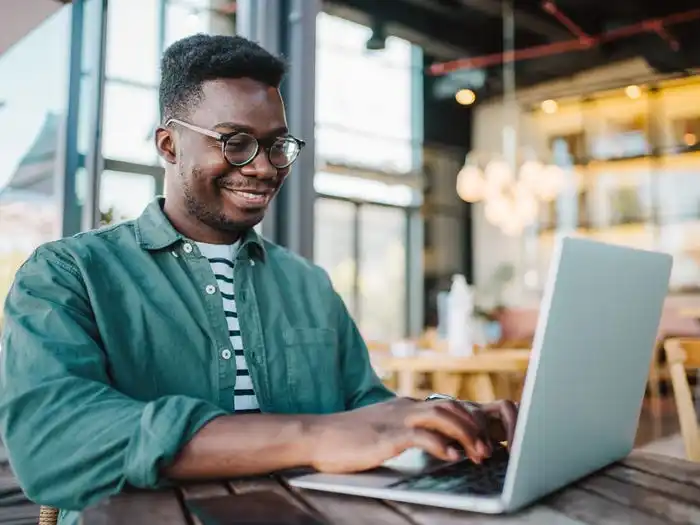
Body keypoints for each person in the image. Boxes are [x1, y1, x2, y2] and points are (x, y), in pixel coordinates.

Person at [0, 34, 517, 523]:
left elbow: (364, 407)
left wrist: (440, 416)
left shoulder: (307, 284)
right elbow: (54, 441)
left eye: (277, 146)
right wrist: (312, 437)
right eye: (235, 143)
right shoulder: (69, 274)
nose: (265, 168)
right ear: (169, 144)